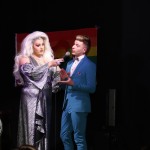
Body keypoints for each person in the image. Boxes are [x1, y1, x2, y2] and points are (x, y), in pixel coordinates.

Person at [13, 31, 63, 150]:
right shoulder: (24, 58)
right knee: (32, 128)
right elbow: (32, 73)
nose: (41, 47)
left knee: (45, 129)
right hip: (31, 96)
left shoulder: (47, 58)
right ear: (31, 46)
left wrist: (61, 75)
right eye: (38, 45)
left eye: (42, 44)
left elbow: (56, 79)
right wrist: (49, 65)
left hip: (46, 97)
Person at [58, 35, 97, 150]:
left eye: (77, 45)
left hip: (79, 105)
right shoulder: (69, 63)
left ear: (84, 49)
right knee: (64, 135)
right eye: (74, 44)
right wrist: (62, 81)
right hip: (66, 104)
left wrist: (73, 83)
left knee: (78, 137)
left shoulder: (90, 65)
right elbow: (66, 84)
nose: (73, 47)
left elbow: (91, 88)